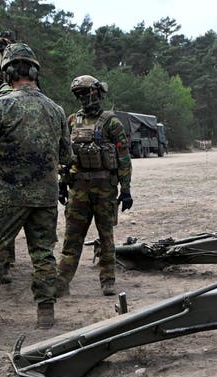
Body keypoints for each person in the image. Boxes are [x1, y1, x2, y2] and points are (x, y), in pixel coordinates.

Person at [0, 43, 70, 334]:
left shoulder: (0, 105)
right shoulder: (56, 110)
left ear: (8, 73)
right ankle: (46, 312)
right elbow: (67, 156)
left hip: (8, 196)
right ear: (34, 71)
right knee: (44, 254)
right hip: (44, 196)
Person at [56, 74, 131, 297]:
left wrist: (126, 189)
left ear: (96, 92)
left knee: (106, 236)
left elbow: (123, 157)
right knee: (72, 236)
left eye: (85, 93)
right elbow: (65, 156)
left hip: (105, 189)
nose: (82, 98)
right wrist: (62, 183)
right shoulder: (71, 121)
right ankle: (61, 282)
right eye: (78, 95)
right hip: (78, 189)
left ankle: (108, 280)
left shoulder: (112, 123)